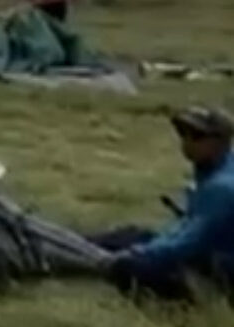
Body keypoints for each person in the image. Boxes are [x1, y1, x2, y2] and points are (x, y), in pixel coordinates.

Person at [93, 107, 234, 302]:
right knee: (131, 236)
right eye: (183, 133)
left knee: (131, 266)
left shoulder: (221, 187)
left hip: (222, 271)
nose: (187, 142)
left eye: (197, 136)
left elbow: (189, 241)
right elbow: (188, 227)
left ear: (219, 142)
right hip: (210, 255)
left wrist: (137, 255)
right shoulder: (216, 171)